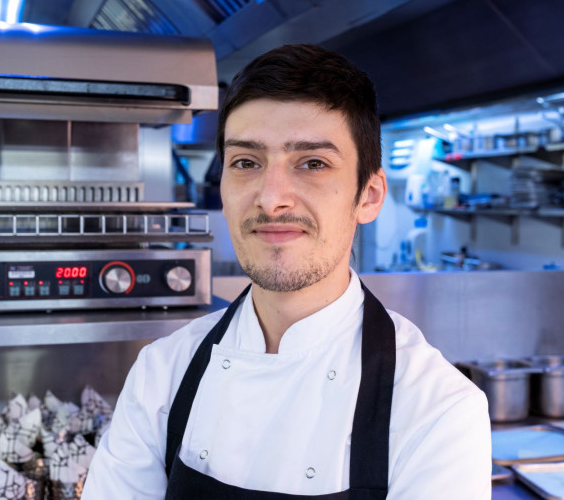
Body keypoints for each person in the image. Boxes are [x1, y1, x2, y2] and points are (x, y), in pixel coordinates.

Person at [82, 44, 491, 499]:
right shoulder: (161, 375)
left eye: (312, 163)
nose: (271, 198)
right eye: (246, 162)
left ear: (369, 196)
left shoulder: (436, 409)